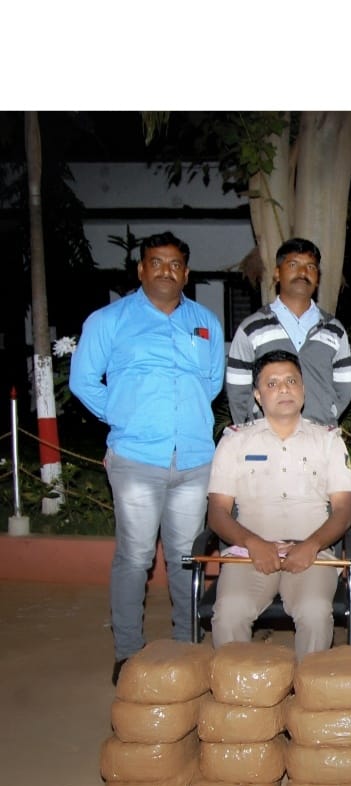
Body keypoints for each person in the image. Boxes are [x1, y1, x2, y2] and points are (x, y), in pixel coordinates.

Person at [70, 231, 224, 684]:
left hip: (193, 458)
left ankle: (185, 644)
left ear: (186, 273)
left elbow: (212, 382)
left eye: (175, 264)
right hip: (137, 457)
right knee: (135, 557)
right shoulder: (110, 320)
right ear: (140, 269)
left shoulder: (205, 322)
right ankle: (128, 651)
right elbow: (83, 381)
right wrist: (123, 415)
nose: (165, 271)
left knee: (185, 558)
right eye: (156, 262)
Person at [206, 351, 351, 659]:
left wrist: (311, 545)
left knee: (315, 612)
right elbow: (217, 513)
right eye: (272, 384)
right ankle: (239, 686)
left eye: (291, 381)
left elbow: (343, 511)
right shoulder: (235, 441)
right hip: (250, 552)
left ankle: (307, 686)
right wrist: (252, 543)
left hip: (312, 553)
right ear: (258, 396)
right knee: (230, 612)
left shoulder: (328, 441)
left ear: (303, 389)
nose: (284, 389)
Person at [226, 238, 351, 427]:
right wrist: (255, 424)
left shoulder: (334, 330)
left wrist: (326, 415)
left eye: (311, 267)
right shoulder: (252, 328)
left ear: (318, 278)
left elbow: (345, 386)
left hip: (318, 436)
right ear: (277, 274)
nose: (303, 272)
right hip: (266, 437)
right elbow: (238, 389)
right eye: (293, 265)